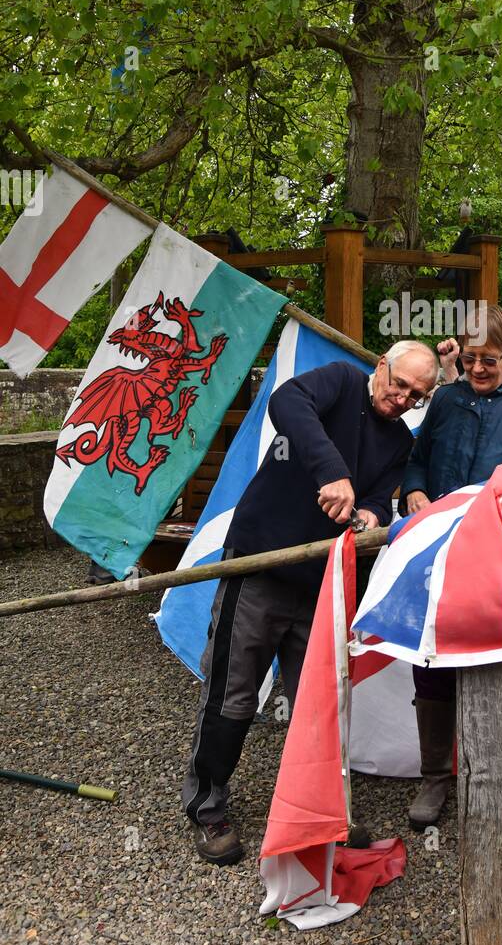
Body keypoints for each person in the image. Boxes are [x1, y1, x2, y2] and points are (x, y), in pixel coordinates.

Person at [182, 340, 439, 864]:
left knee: (318, 709)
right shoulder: (340, 381)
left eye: (416, 394)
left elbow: (374, 498)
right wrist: (330, 470)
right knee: (233, 695)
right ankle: (208, 807)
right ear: (381, 366)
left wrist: (369, 516)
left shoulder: (397, 441)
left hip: (322, 587)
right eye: (398, 383)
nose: (402, 397)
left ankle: (320, 814)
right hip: (259, 565)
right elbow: (287, 403)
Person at [401, 305, 502, 838]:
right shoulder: (446, 400)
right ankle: (435, 775)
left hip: (500, 555)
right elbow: (417, 460)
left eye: (487, 360)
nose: (476, 368)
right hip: (440, 552)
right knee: (430, 658)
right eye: (469, 359)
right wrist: (414, 491)